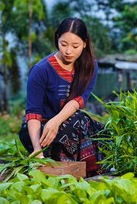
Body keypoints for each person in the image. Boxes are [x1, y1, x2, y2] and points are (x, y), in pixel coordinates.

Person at [19, 17, 105, 176]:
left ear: (85, 43)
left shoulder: (90, 66)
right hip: (41, 131)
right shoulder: (41, 70)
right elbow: (33, 113)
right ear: (57, 39)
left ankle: (81, 168)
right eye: (63, 44)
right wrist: (38, 149)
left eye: (75, 46)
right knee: (76, 121)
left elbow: (78, 101)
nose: (68, 51)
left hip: (66, 123)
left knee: (100, 131)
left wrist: (57, 121)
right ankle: (67, 171)